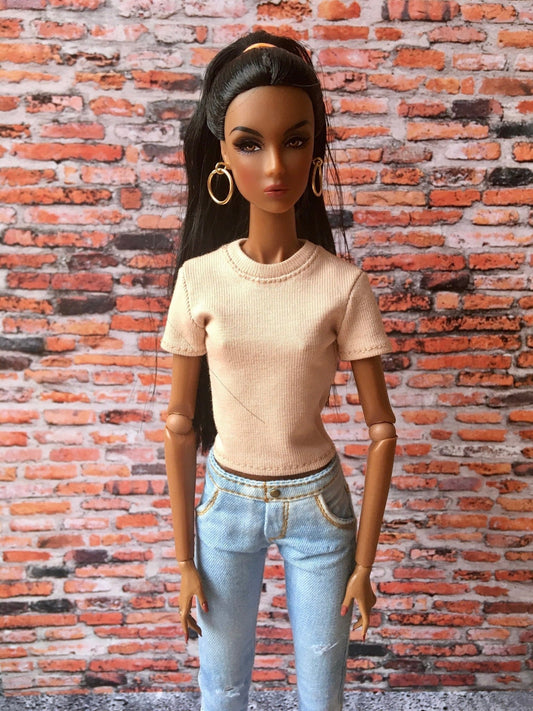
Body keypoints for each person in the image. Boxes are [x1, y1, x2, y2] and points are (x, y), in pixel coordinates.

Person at [161, 30, 397, 711]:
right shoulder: (199, 280)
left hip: (318, 505)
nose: (273, 166)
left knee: (322, 692)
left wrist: (364, 564)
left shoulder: (342, 285)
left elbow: (382, 431)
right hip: (225, 504)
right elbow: (179, 424)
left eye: (294, 140)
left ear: (316, 149)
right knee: (221, 686)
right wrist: (183, 561)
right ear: (221, 154)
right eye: (249, 143)